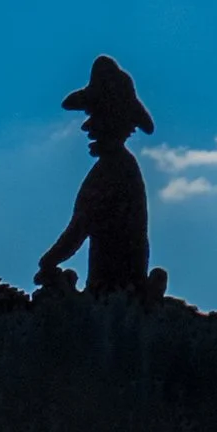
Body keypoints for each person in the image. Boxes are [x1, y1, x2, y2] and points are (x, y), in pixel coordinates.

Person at [35, 55, 162, 300]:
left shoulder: (114, 171)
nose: (88, 127)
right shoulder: (117, 167)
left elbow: (79, 228)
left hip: (114, 292)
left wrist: (48, 261)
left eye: (95, 117)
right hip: (111, 288)